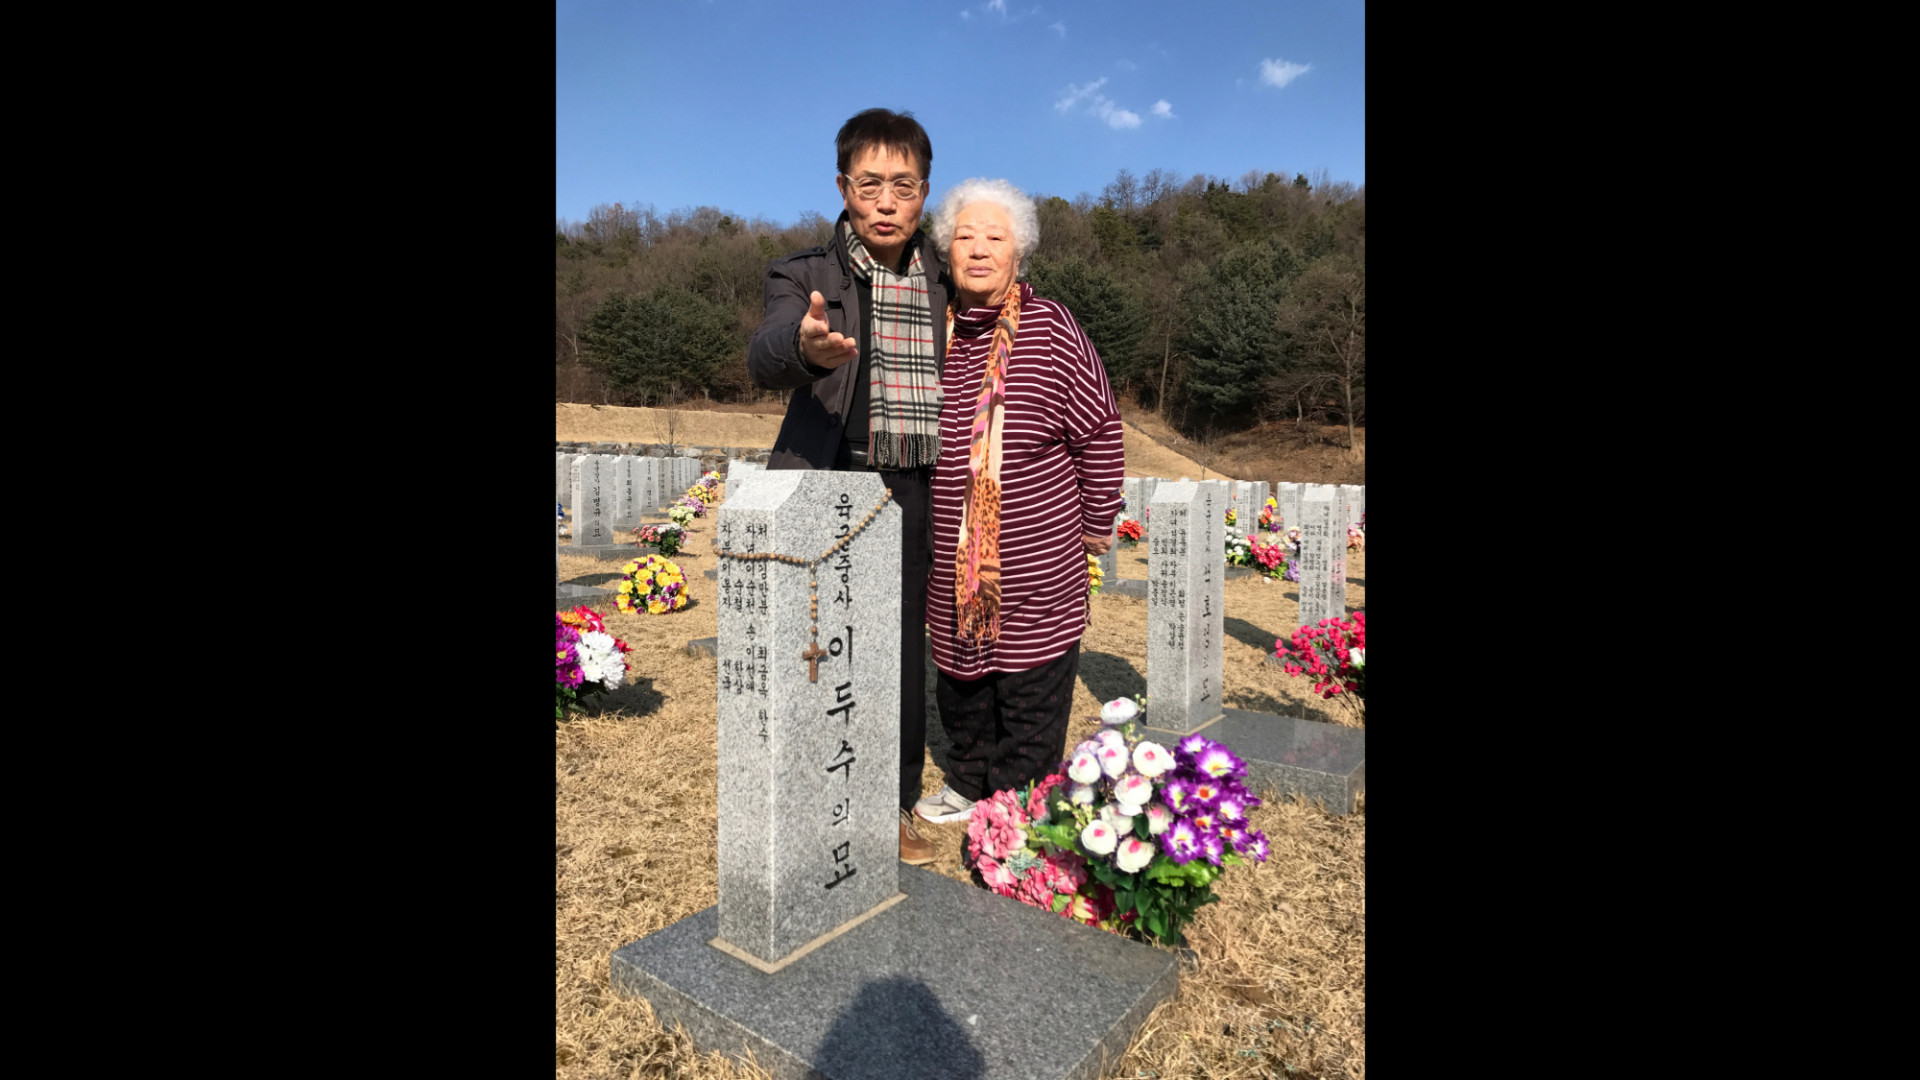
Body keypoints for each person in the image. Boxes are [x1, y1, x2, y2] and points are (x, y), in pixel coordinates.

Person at [745, 108, 948, 867]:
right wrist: (804, 348)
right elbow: (767, 350)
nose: (886, 202)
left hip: (914, 481)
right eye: (870, 185)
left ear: (924, 191)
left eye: (904, 185)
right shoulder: (803, 274)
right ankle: (811, 791)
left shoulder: (945, 277)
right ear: (842, 188)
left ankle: (891, 801)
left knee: (899, 649)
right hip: (826, 477)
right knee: (813, 644)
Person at [910, 179, 1124, 830]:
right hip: (952, 564)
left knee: (1030, 692)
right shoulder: (932, 332)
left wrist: (1097, 520)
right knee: (962, 686)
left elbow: (1099, 430)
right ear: (946, 252)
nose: (979, 249)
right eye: (964, 237)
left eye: (994, 237)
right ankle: (968, 782)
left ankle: (1016, 813)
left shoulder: (1051, 327)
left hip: (1037, 562)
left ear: (1018, 252)